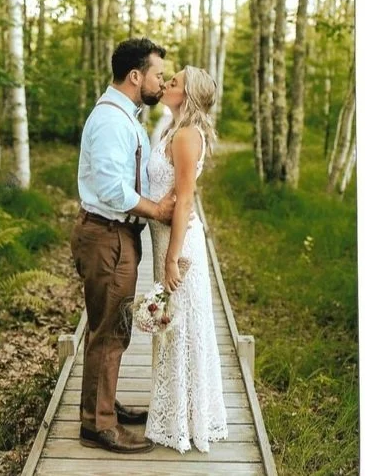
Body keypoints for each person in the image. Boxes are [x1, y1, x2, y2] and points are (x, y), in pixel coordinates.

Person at [73, 37, 175, 454]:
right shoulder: (112, 120)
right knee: (109, 331)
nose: (161, 82)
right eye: (157, 75)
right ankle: (99, 425)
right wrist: (157, 210)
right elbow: (113, 188)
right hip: (107, 235)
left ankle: (102, 406)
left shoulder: (124, 115)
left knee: (112, 327)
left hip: (115, 235)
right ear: (136, 76)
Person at [144, 65, 228, 452]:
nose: (166, 84)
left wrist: (172, 258)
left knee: (182, 325)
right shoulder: (170, 128)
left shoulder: (186, 136)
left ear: (187, 96)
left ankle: (187, 420)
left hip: (179, 244)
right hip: (164, 238)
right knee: (172, 323)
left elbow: (185, 199)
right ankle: (176, 413)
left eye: (174, 82)